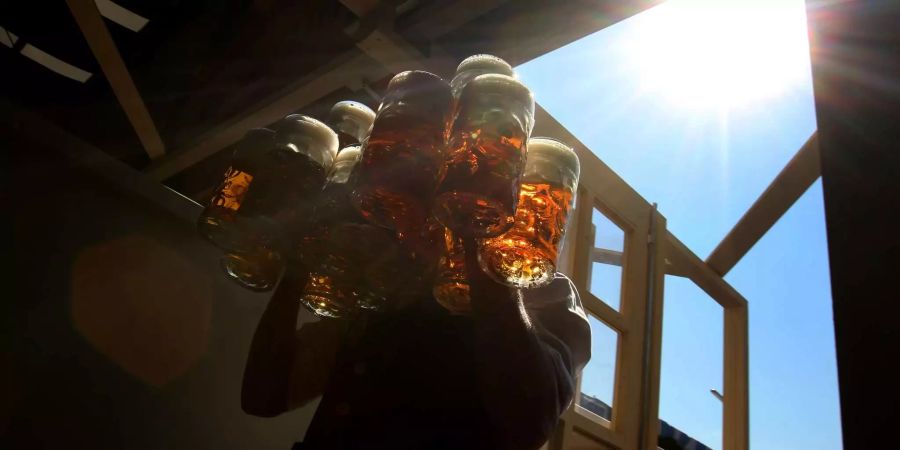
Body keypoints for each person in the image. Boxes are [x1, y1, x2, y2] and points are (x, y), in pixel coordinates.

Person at [241, 239, 591, 450]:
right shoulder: (391, 280)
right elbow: (264, 395)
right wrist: (298, 265)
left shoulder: (545, 287)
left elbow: (532, 420)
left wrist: (487, 254)